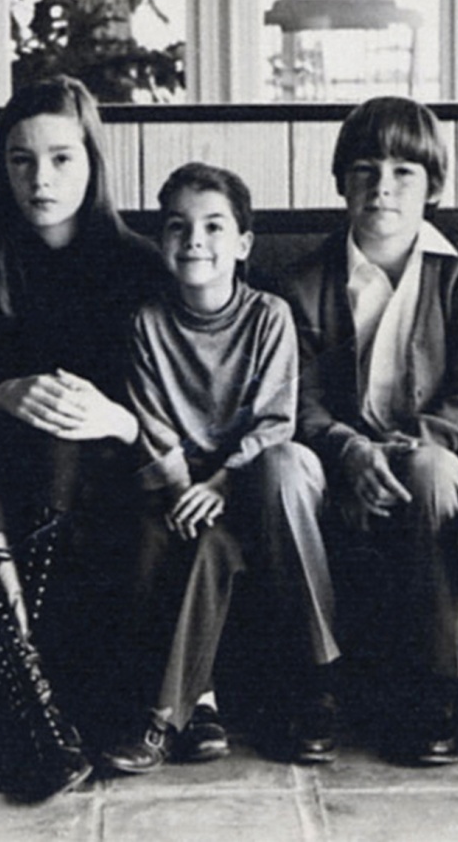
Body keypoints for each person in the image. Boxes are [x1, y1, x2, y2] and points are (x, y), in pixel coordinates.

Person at [0, 75, 163, 798]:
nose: (41, 178)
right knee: (1, 433)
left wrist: (117, 419)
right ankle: (29, 687)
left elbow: (184, 408)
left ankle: (28, 689)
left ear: (94, 162)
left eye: (63, 158)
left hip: (102, 484)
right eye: (22, 160)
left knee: (66, 434)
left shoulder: (141, 267)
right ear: (1, 167)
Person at [280, 96, 458, 765]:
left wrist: (409, 445)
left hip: (426, 453)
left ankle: (434, 686)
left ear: (433, 186)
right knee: (282, 466)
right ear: (341, 181)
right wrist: (349, 450)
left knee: (433, 472)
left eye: (405, 172)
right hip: (334, 457)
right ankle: (314, 681)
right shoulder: (305, 281)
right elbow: (301, 398)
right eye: (365, 169)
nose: (383, 186)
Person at [104, 163, 340, 774]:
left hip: (254, 480)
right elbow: (150, 422)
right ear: (161, 243)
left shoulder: (268, 316)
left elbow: (274, 419)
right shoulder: (146, 323)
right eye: (178, 227)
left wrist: (224, 480)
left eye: (213, 226)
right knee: (208, 545)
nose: (194, 240)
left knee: (281, 468)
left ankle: (165, 721)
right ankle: (175, 717)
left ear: (242, 245)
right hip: (182, 489)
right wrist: (187, 489)